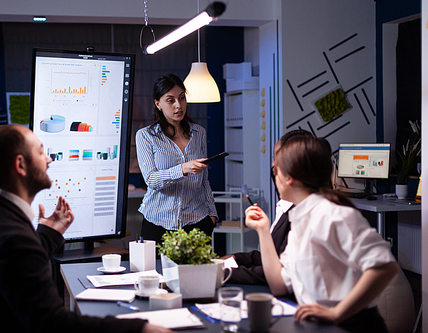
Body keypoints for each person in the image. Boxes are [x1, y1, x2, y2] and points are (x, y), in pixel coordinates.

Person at [0, 125, 171, 333]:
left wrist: (49, 232)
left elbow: (14, 274)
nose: (50, 160)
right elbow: (52, 324)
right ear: (21, 165)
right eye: (41, 152)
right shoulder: (11, 236)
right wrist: (141, 328)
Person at [245, 135, 399, 332]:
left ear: (288, 178)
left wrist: (337, 313)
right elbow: (279, 285)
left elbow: (386, 266)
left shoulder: (334, 215)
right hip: (318, 326)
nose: (274, 176)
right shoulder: (299, 219)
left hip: (350, 326)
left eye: (276, 171)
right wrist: (263, 231)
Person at [136, 74, 218, 244]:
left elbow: (205, 180)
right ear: (158, 103)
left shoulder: (199, 133)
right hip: (158, 223)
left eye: (182, 98)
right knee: (155, 271)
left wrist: (212, 214)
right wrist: (183, 169)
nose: (178, 105)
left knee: (198, 271)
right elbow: (151, 179)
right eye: (170, 100)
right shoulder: (146, 136)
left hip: (197, 221)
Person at [228, 129, 313, 285]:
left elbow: (279, 278)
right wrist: (236, 259)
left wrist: (223, 273)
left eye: (277, 164)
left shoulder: (314, 215)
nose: (273, 169)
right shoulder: (290, 208)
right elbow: (277, 266)